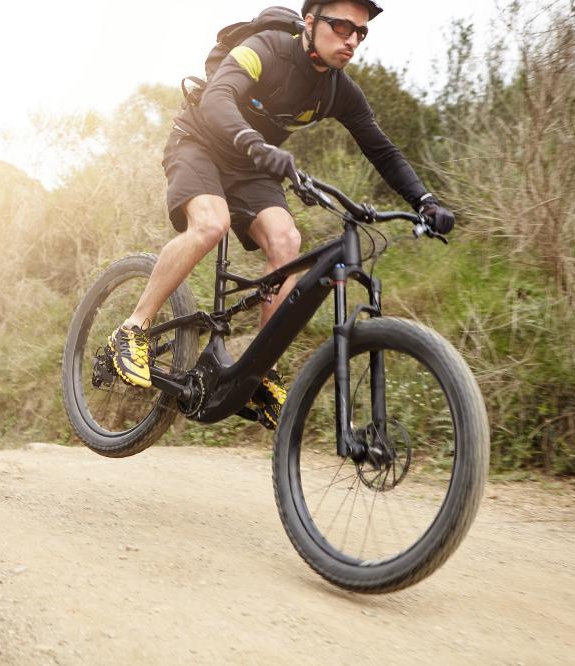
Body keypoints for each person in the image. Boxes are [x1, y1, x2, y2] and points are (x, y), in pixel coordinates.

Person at [107, 0, 455, 428]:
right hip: (200, 142)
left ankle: (257, 373)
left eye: (361, 32)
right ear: (310, 23)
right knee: (211, 223)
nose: (351, 39)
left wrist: (425, 201)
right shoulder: (266, 48)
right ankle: (133, 328)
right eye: (342, 26)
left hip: (253, 164)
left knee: (287, 243)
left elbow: (381, 149)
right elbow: (217, 97)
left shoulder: (338, 90)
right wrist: (255, 143)